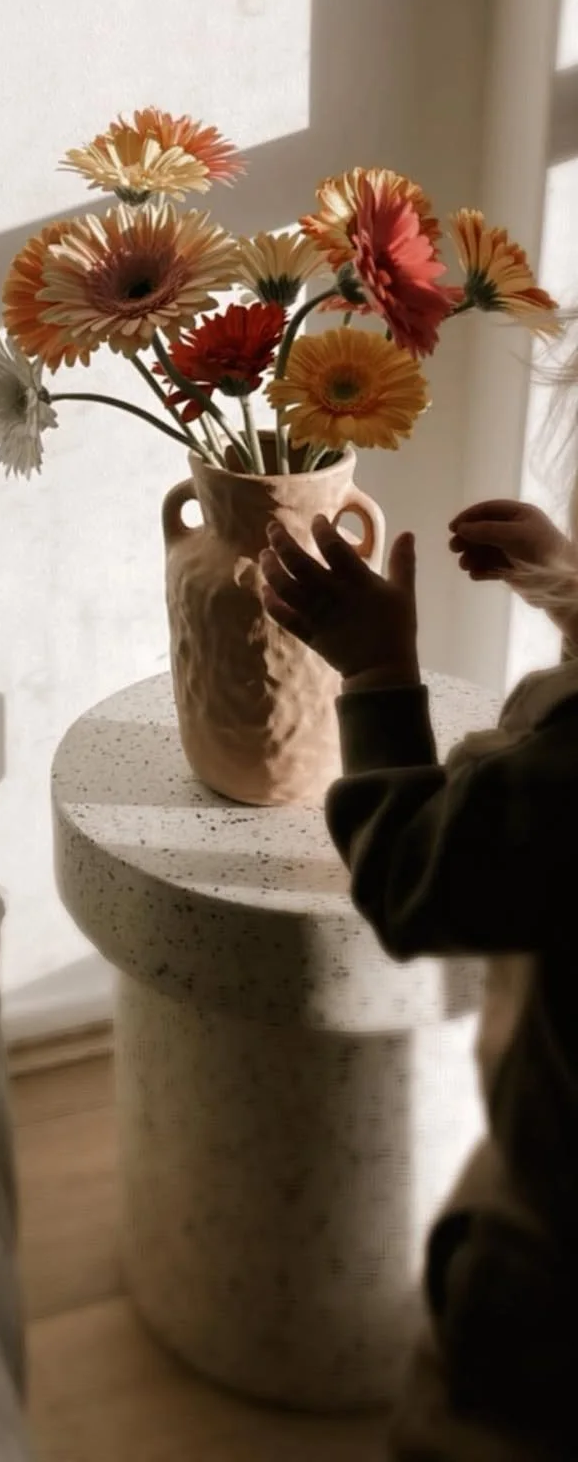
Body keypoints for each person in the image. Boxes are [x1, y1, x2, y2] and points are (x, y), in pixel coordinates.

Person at [259, 460, 578, 1460]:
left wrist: (375, 675)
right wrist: (564, 585)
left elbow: (412, 871)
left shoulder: (565, 778)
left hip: (554, 1261)